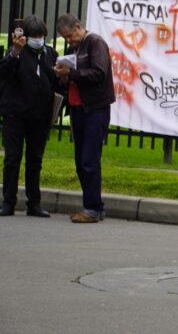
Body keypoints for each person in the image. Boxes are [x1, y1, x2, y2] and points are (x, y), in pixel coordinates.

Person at [53, 14, 115, 224]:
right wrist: (62, 76)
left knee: (89, 160)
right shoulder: (76, 49)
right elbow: (73, 80)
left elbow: (99, 73)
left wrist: (72, 73)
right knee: (81, 162)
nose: (69, 41)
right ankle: (95, 206)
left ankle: (92, 209)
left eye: (70, 36)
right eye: (66, 38)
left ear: (78, 27)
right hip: (79, 109)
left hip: (95, 110)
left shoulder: (95, 43)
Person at [0, 16, 59, 217]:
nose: (38, 39)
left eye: (41, 35)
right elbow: (4, 72)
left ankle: (34, 203)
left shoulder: (50, 53)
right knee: (12, 158)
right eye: (34, 36)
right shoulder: (16, 52)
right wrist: (15, 52)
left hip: (39, 116)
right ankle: (8, 202)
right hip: (15, 114)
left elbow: (55, 82)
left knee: (35, 160)